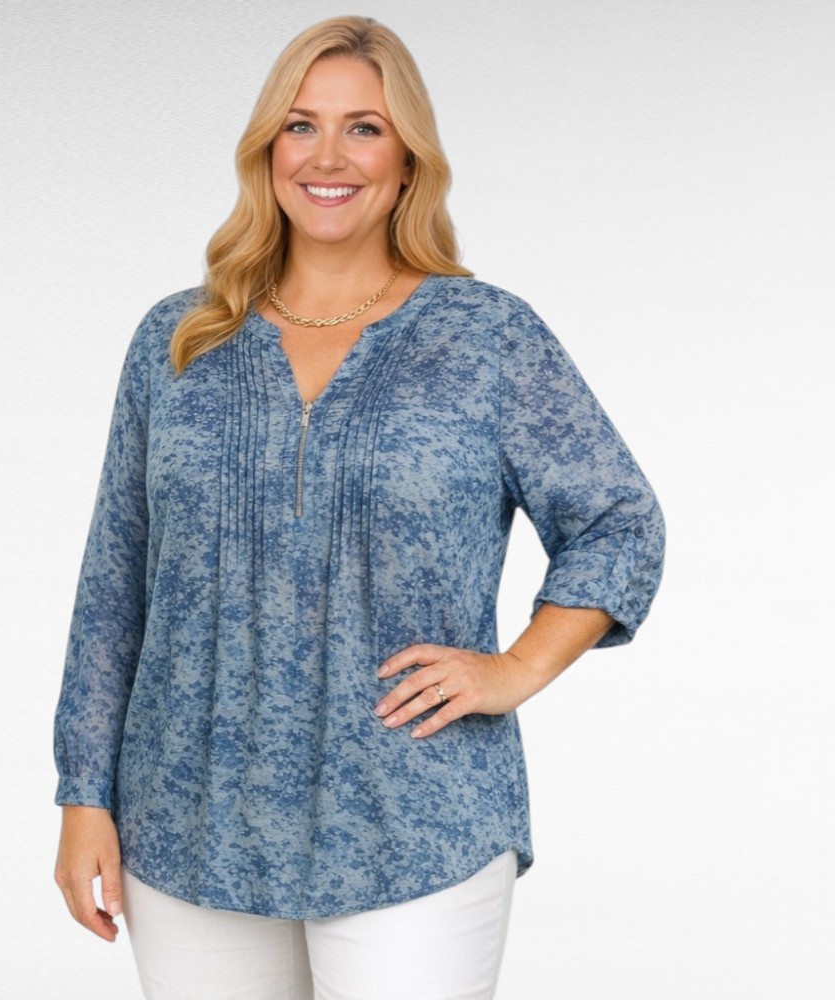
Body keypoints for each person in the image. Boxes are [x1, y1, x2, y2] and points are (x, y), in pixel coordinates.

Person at [53, 15, 665, 1000]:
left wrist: (515, 667)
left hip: (415, 818)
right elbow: (114, 583)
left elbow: (617, 521)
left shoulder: (484, 337)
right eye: (300, 125)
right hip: (187, 817)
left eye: (364, 128)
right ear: (267, 150)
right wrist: (84, 794)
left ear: (409, 159)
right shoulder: (179, 340)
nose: (328, 157)